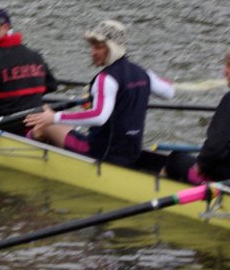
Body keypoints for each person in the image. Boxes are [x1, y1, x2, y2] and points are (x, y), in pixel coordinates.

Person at [24, 19, 174, 167]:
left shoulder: (106, 78)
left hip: (101, 154)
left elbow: (98, 116)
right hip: (131, 152)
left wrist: (53, 117)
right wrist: (165, 82)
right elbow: (168, 93)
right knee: (57, 120)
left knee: (46, 122)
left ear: (112, 48)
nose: (93, 52)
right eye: (92, 47)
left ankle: (25, 154)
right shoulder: (144, 74)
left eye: (99, 47)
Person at [164, 50, 230, 184]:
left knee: (175, 159)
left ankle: (156, 190)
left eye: (229, 66)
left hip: (221, 178)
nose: (224, 72)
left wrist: (200, 165)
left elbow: (215, 147)